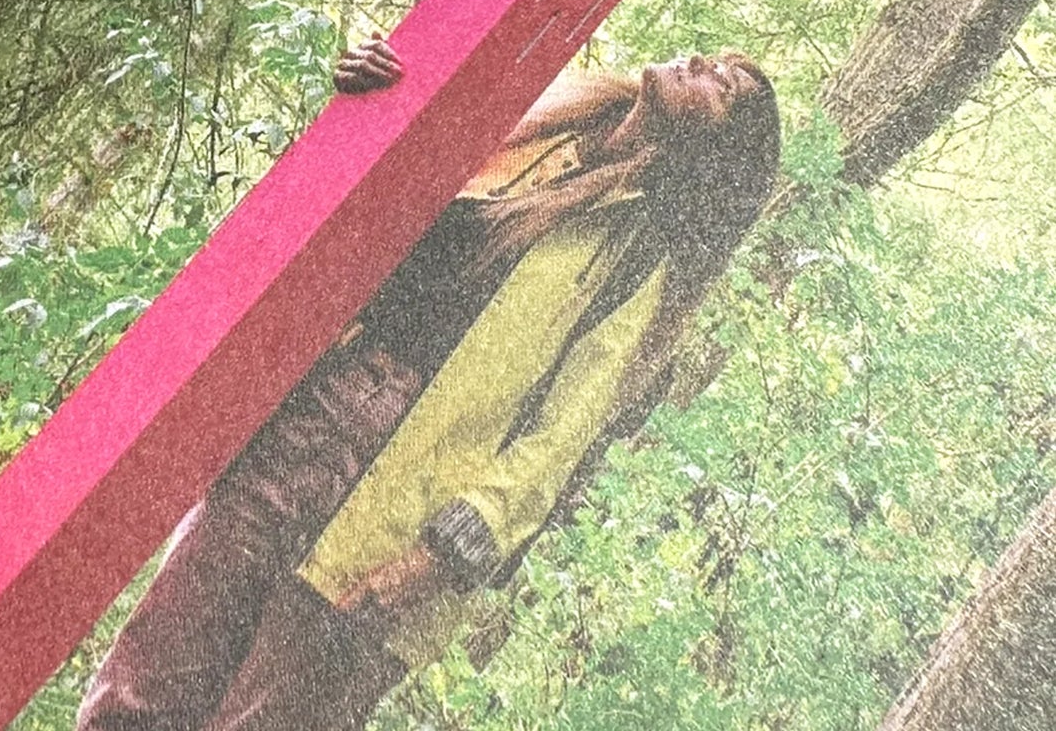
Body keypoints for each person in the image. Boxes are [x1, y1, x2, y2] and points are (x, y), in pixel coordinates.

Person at [77, 40, 781, 731]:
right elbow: (379, 203)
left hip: (399, 520)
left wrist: (436, 559)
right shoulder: (536, 125)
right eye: (715, 57)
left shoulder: (640, 261)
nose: (702, 64)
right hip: (309, 420)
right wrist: (375, 100)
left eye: (725, 86)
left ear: (717, 158)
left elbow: (557, 444)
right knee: (140, 693)